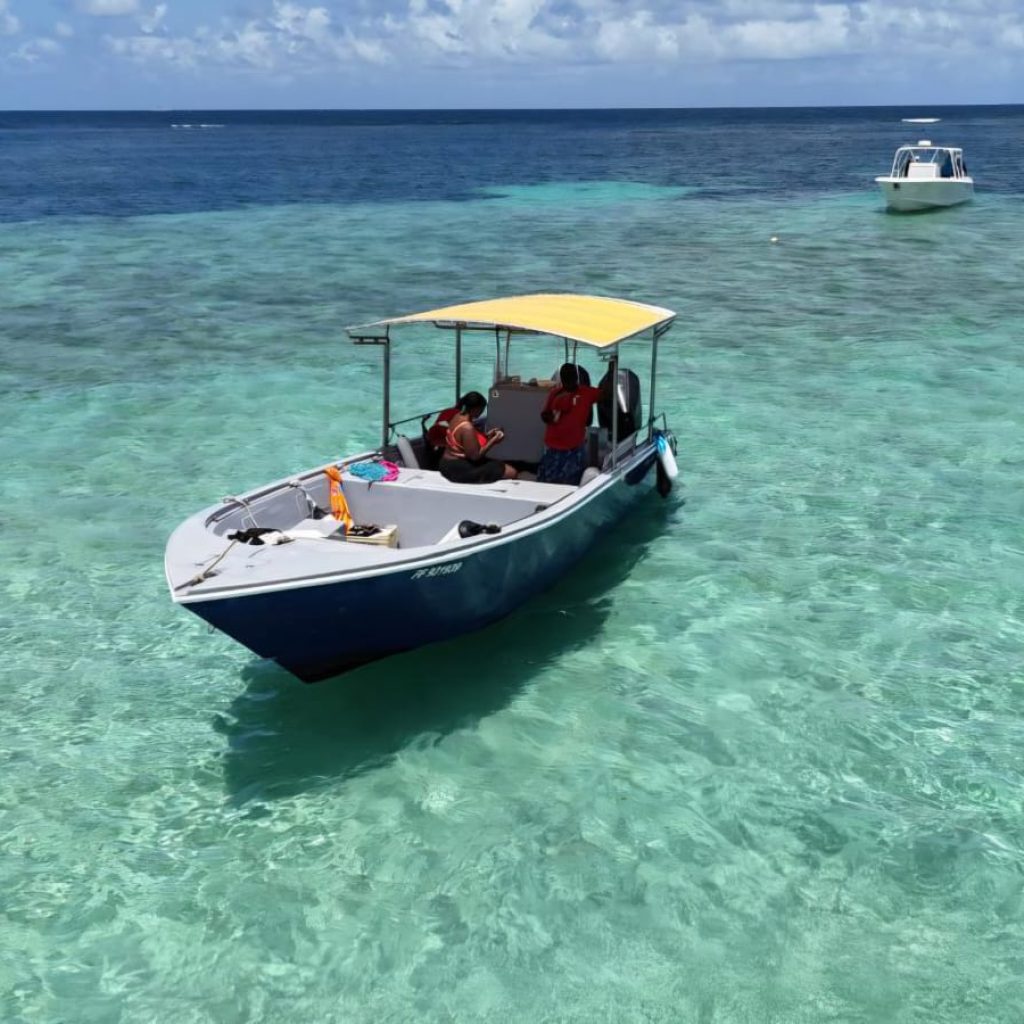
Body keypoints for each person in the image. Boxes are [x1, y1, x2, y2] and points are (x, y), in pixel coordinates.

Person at [537, 364, 603, 485]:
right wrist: (552, 416)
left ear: (576, 378)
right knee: (547, 481)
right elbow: (544, 415)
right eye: (566, 378)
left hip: (574, 448)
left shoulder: (586, 393)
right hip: (553, 447)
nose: (569, 381)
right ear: (562, 379)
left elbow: (604, 394)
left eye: (571, 378)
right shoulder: (555, 393)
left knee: (572, 482)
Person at [439, 391, 517, 484]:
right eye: (481, 409)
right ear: (475, 408)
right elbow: (475, 456)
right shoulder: (467, 427)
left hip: (446, 463)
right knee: (511, 472)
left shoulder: (457, 417)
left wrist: (488, 436)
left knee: (497, 465)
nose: (481, 412)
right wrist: (493, 441)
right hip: (458, 469)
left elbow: (464, 441)